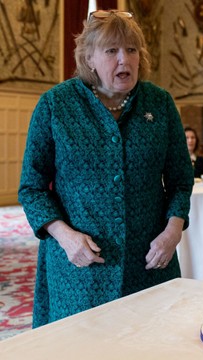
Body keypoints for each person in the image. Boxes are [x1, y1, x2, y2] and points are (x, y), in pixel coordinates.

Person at [18, 10, 194, 327]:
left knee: (150, 342)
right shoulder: (56, 105)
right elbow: (32, 188)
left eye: (131, 50)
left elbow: (181, 181)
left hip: (149, 263)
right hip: (79, 269)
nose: (123, 60)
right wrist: (65, 236)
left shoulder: (160, 103)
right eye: (111, 51)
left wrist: (172, 232)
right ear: (89, 59)